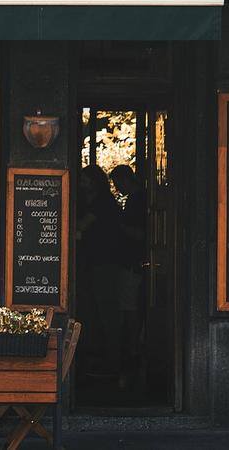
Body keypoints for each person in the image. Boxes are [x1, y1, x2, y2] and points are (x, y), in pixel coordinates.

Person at [76, 165, 127, 387]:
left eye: (85, 181)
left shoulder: (101, 204)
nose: (81, 184)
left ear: (95, 182)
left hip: (104, 263)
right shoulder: (101, 202)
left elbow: (80, 229)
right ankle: (105, 358)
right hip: (100, 262)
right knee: (100, 309)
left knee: (106, 310)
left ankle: (111, 361)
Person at [109, 165, 148, 389]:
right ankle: (133, 346)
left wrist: (119, 226)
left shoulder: (136, 200)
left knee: (129, 306)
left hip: (132, 262)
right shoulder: (139, 198)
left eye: (117, 183)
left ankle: (132, 347)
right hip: (132, 262)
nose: (116, 188)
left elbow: (139, 233)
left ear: (125, 179)